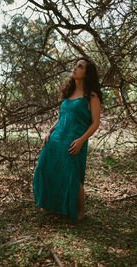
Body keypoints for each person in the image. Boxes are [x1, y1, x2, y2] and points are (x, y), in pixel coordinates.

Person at [32, 57, 102, 222]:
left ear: (86, 74)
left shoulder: (91, 95)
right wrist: (49, 131)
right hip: (56, 137)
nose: (75, 68)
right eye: (75, 65)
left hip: (74, 140)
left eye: (80, 67)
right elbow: (62, 116)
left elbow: (96, 122)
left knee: (73, 175)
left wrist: (81, 140)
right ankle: (50, 203)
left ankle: (80, 211)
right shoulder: (69, 92)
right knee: (45, 168)